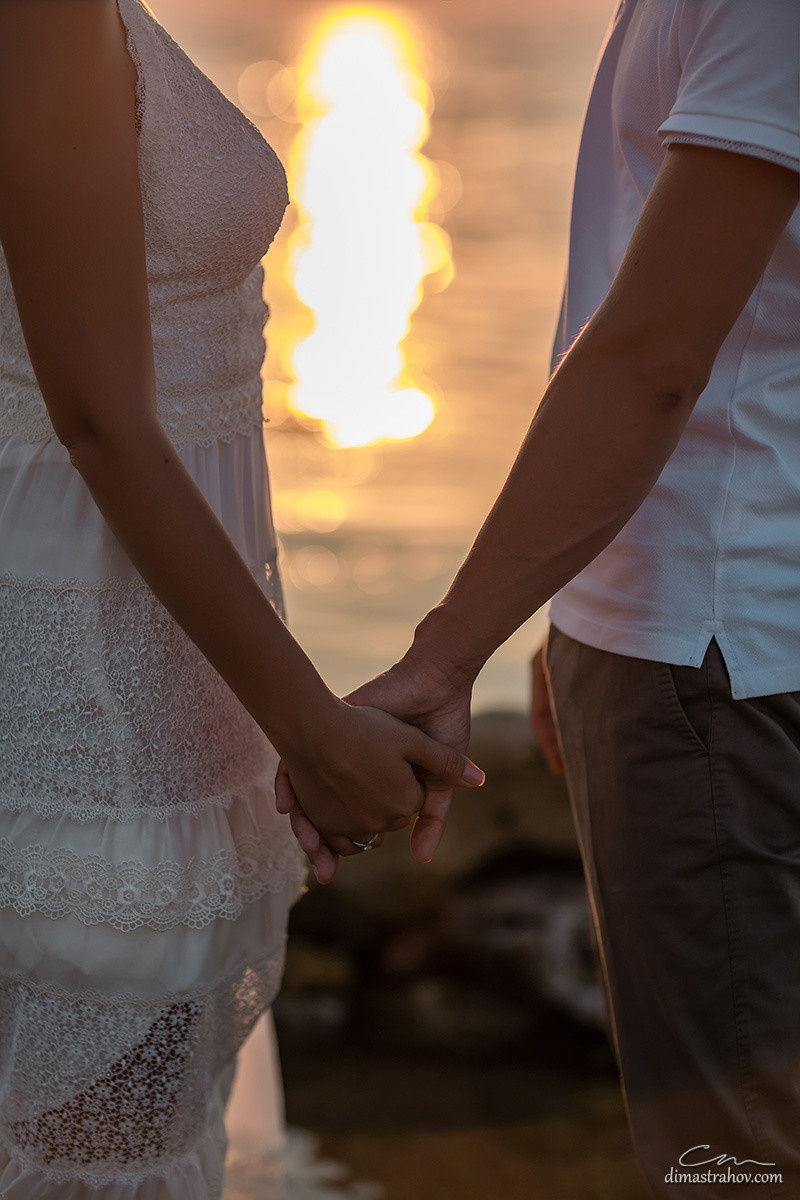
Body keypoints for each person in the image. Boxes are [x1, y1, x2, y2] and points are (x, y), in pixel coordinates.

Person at [283, 1, 800, 1195]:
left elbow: (649, 355)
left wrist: (444, 651)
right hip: (703, 612)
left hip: (711, 646)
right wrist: (574, 597)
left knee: (730, 1160)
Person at [0, 2, 485, 1196]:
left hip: (144, 673)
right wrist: (309, 728)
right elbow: (101, 421)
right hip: (94, 701)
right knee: (99, 1155)